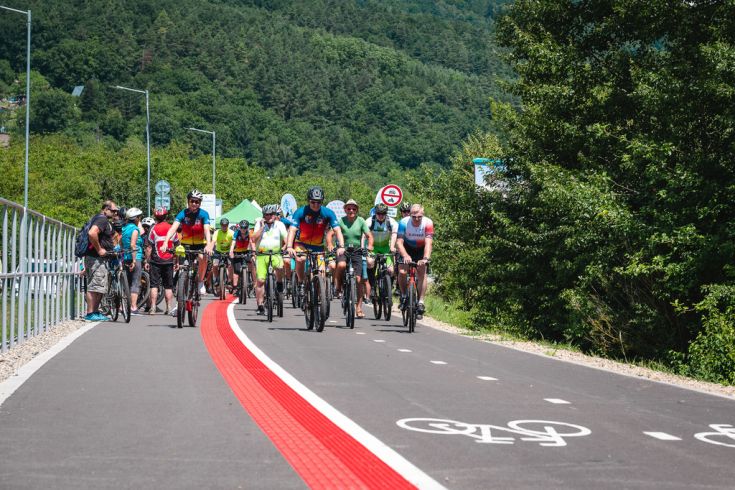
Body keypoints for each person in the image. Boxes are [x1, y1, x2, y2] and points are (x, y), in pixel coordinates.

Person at [287, 186, 344, 288]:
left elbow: (337, 230)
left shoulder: (328, 213)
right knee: (301, 259)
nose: (316, 205)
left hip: (318, 246)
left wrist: (341, 246)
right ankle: (301, 282)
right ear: (308, 200)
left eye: (319, 202)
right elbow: (292, 230)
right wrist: (289, 247)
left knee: (321, 275)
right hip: (301, 243)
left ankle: (318, 297)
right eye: (313, 202)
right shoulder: (300, 212)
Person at [163, 189, 213, 295]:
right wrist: (165, 241)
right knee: (183, 264)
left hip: (200, 243)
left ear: (200, 203)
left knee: (202, 257)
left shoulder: (204, 214)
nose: (194, 204)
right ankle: (181, 286)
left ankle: (200, 282)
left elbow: (207, 230)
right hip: (186, 244)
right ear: (188, 201)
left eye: (197, 202)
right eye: (192, 201)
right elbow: (173, 228)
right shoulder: (183, 213)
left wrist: (208, 244)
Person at [334, 199, 373, 318]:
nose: (351, 211)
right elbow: (331, 234)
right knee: (340, 266)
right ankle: (338, 287)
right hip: (343, 249)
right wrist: (331, 245)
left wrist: (370, 246)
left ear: (357, 210)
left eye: (354, 209)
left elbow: (369, 235)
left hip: (357, 251)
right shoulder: (341, 221)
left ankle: (359, 307)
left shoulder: (361, 221)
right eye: (349, 208)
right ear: (345, 209)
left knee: (358, 279)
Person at [83, 201, 119, 321]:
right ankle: (90, 314)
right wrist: (99, 249)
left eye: (116, 211)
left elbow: (113, 236)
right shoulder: (102, 219)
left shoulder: (105, 221)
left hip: (99, 259)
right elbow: (92, 233)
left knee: (100, 287)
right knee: (94, 286)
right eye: (113, 211)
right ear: (105, 209)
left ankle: (95, 312)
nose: (115, 213)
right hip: (96, 258)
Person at [396, 204, 434, 318]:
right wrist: (405, 255)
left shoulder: (428, 223)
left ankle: (421, 301)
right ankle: (403, 295)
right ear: (410, 215)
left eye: (419, 217)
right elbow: (399, 242)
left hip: (420, 248)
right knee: (402, 272)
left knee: (422, 272)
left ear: (423, 215)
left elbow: (428, 243)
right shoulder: (403, 222)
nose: (416, 219)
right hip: (406, 247)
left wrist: (426, 258)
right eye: (414, 217)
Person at [252, 204, 288, 315]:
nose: (268, 217)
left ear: (275, 215)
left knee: (280, 267)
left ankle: (279, 282)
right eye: (266, 215)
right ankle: (260, 305)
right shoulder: (259, 224)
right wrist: (262, 227)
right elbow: (253, 239)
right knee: (261, 281)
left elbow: (286, 240)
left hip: (276, 253)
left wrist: (284, 248)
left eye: (271, 214)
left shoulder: (280, 225)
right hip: (262, 254)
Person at [145, 207, 178, 315]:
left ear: (155, 216)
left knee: (154, 285)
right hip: (169, 261)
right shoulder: (172, 228)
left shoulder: (153, 228)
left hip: (155, 261)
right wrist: (176, 261)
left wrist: (147, 260)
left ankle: (153, 307)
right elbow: (177, 246)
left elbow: (149, 247)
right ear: (166, 216)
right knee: (168, 286)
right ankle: (168, 308)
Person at [365, 202, 398, 300]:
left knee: (391, 270)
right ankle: (372, 287)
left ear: (386, 214)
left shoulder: (391, 222)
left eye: (383, 214)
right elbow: (364, 236)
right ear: (375, 213)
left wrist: (392, 246)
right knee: (370, 263)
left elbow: (394, 235)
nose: (380, 216)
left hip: (385, 248)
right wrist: (364, 247)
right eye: (378, 213)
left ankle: (388, 287)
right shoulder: (369, 221)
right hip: (373, 247)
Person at [122, 207, 145, 315]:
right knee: (135, 283)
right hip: (135, 257)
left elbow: (122, 243)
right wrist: (135, 260)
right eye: (139, 218)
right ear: (136, 219)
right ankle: (133, 307)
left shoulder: (125, 228)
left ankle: (123, 306)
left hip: (125, 257)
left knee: (126, 283)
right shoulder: (135, 230)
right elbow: (133, 245)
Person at [229, 219, 255, 295]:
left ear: (247, 227)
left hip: (246, 251)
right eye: (242, 227)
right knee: (236, 271)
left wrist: (253, 252)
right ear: (239, 227)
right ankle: (235, 287)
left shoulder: (250, 233)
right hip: (237, 251)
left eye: (245, 227)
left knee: (252, 263)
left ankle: (252, 281)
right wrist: (231, 251)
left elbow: (251, 242)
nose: (243, 229)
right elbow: (233, 242)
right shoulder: (236, 233)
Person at [212, 217, 235, 297]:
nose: (224, 227)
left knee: (230, 266)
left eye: (225, 225)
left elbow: (233, 242)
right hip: (218, 251)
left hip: (228, 252)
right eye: (222, 225)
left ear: (228, 225)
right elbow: (213, 241)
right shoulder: (217, 232)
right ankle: (217, 279)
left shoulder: (231, 232)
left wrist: (231, 251)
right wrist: (210, 248)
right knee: (215, 265)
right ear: (220, 225)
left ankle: (229, 281)